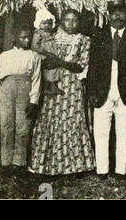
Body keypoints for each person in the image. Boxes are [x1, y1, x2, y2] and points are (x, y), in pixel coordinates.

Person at [87, 0, 126, 181]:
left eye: (121, 12)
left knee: (124, 132)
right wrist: (92, 91)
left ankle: (121, 171)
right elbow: (93, 67)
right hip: (102, 91)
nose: (117, 16)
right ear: (108, 14)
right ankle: (102, 170)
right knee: (101, 132)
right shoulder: (99, 36)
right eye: (114, 13)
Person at [29, 9, 95, 176]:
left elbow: (79, 65)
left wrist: (57, 61)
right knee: (49, 118)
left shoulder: (84, 40)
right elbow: (38, 58)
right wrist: (47, 65)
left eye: (74, 20)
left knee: (72, 119)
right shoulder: (50, 36)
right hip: (52, 82)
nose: (71, 24)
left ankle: (74, 165)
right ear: (60, 21)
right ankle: (46, 165)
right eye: (67, 20)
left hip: (72, 85)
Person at [0, 24, 41, 177]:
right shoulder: (4, 56)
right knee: (6, 125)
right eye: (23, 37)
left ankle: (19, 163)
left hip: (24, 89)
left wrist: (33, 100)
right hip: (6, 89)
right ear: (14, 38)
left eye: (29, 37)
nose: (27, 40)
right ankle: (6, 162)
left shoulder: (34, 56)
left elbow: (36, 79)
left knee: (23, 126)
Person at [31, 8, 63, 95]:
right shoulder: (38, 33)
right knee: (47, 70)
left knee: (54, 69)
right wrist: (45, 53)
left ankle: (53, 86)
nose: (47, 25)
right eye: (44, 23)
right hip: (43, 55)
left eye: (49, 23)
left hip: (51, 54)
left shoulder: (51, 33)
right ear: (38, 24)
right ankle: (46, 87)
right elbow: (35, 46)